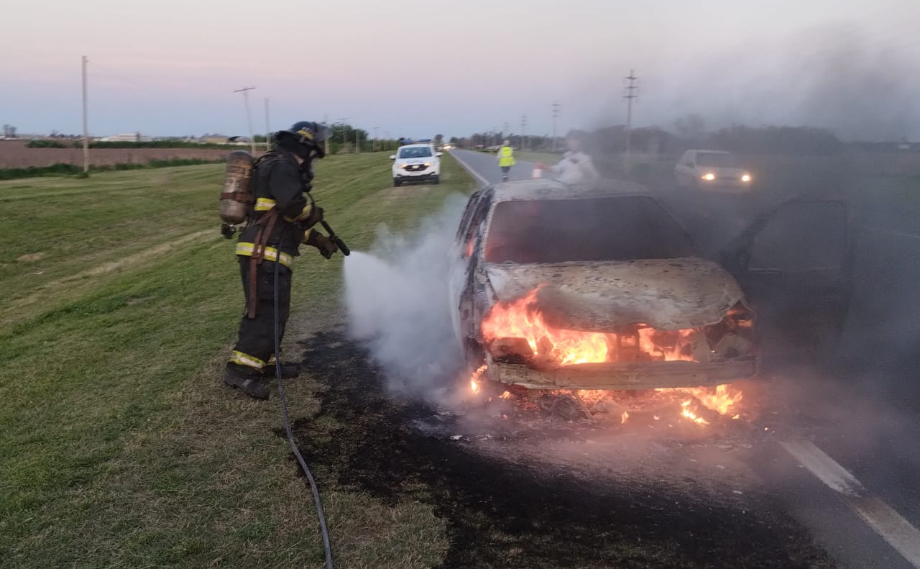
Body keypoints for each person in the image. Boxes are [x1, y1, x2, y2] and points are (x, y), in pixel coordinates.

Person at [224, 121, 339, 400]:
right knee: (264, 310)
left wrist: (319, 239)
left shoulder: (276, 165)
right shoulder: (283, 165)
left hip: (269, 250)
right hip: (263, 253)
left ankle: (266, 362)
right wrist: (312, 211)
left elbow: (284, 223)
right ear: (306, 148)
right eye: (315, 152)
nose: (314, 160)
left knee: (276, 310)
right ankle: (240, 372)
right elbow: (292, 207)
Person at [534, 135, 601, 184]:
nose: (572, 143)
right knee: (540, 184)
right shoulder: (567, 156)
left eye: (575, 141)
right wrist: (543, 166)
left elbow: (595, 176)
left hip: (573, 189)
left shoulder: (585, 158)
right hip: (560, 184)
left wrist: (580, 163)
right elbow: (557, 169)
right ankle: (535, 184)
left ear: (580, 143)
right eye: (571, 141)